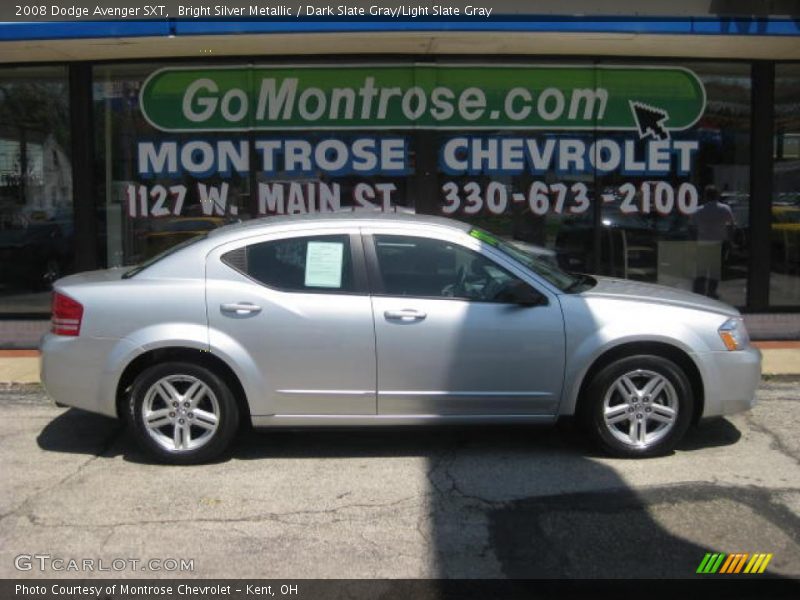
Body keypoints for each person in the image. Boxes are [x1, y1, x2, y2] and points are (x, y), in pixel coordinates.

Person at [690, 185, 735, 299]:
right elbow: (730, 226)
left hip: (703, 244)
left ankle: (698, 293)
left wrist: (694, 242)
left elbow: (693, 228)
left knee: (701, 270)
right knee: (714, 271)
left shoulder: (698, 210)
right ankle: (711, 292)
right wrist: (730, 241)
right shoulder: (725, 209)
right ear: (717, 195)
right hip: (718, 244)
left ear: (705, 196)